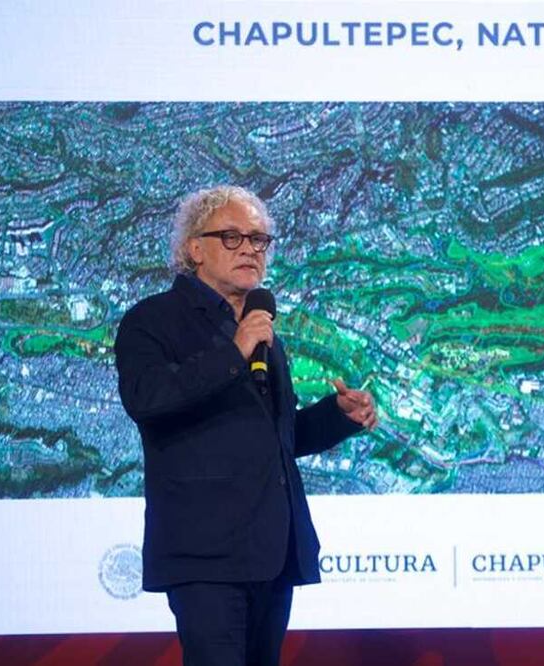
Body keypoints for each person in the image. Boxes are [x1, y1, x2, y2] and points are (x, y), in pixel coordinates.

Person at [114, 185, 377, 666]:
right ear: (194, 249)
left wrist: (338, 418)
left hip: (272, 550)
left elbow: (274, 438)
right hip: (206, 554)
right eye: (232, 237)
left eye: (259, 240)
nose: (250, 250)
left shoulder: (262, 330)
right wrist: (233, 352)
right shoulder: (152, 321)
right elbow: (146, 399)